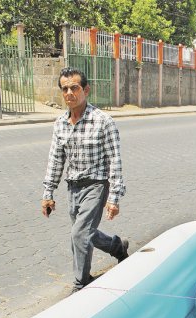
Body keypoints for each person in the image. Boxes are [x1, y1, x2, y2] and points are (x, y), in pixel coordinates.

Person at [41, 67, 128, 293]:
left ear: (86, 90)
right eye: (65, 89)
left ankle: (82, 284)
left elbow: (115, 161)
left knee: (79, 233)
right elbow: (55, 160)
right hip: (73, 187)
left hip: (96, 186)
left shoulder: (103, 121)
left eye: (75, 88)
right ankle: (117, 246)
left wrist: (114, 198)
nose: (69, 93)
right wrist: (48, 193)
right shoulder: (60, 124)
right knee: (84, 232)